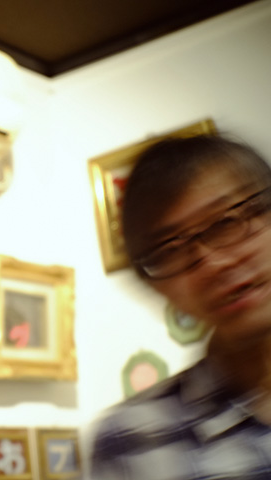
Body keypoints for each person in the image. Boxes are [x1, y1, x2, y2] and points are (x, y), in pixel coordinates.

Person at [91, 134, 271, 479]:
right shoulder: (132, 438)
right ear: (156, 287)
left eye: (226, 222)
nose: (213, 263)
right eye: (170, 251)